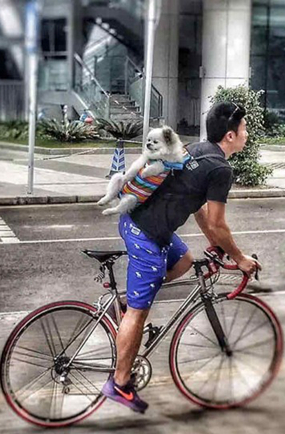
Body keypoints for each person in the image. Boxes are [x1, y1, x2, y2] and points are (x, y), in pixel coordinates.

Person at [101, 102, 261, 413]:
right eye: (244, 129)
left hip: (142, 222)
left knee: (184, 260)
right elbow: (217, 222)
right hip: (145, 234)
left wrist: (215, 243)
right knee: (139, 313)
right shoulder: (221, 170)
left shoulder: (198, 150)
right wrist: (239, 258)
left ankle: (124, 302)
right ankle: (119, 383)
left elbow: (197, 208)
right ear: (230, 136)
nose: (247, 134)